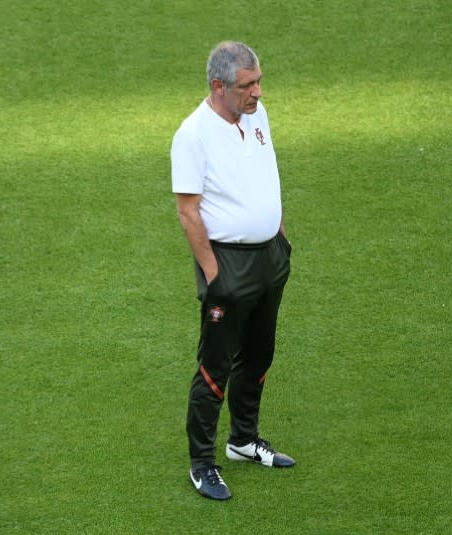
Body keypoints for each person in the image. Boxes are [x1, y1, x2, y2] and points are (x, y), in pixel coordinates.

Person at [170, 41, 295, 501]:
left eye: (259, 81)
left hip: (269, 260)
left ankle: (243, 440)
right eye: (247, 85)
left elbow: (267, 174)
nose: (258, 92)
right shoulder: (192, 135)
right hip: (228, 264)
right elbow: (188, 211)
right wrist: (213, 274)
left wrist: (279, 235)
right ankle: (202, 463)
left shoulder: (255, 115)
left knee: (259, 354)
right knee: (214, 368)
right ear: (218, 87)